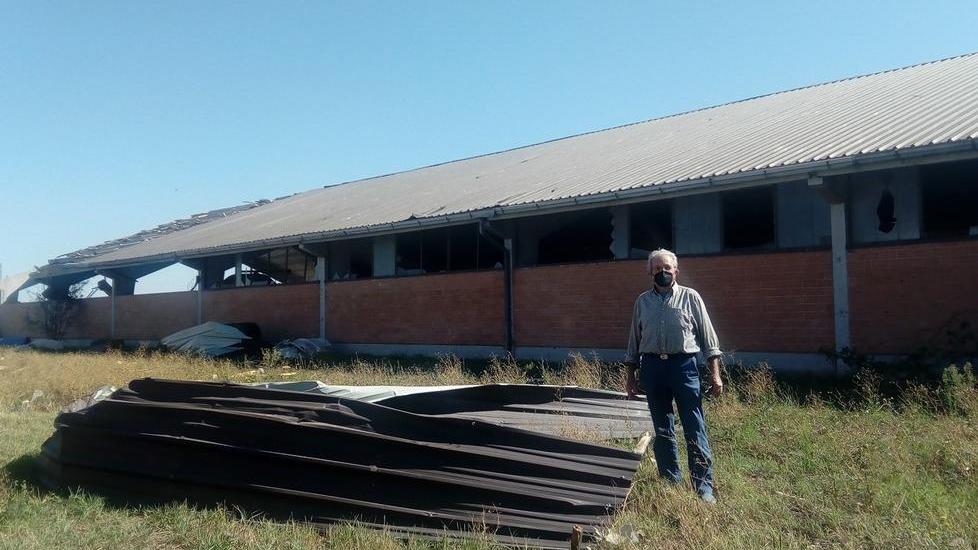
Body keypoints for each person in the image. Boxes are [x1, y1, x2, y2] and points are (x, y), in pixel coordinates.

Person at [624, 248, 723, 504]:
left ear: (676, 270)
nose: (662, 272)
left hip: (684, 367)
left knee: (694, 426)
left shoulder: (691, 298)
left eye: (667, 268)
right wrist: (630, 376)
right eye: (657, 269)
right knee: (662, 427)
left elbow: (709, 338)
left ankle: (704, 488)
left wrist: (715, 374)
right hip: (653, 368)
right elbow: (634, 342)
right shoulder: (642, 302)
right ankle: (670, 479)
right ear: (650, 273)